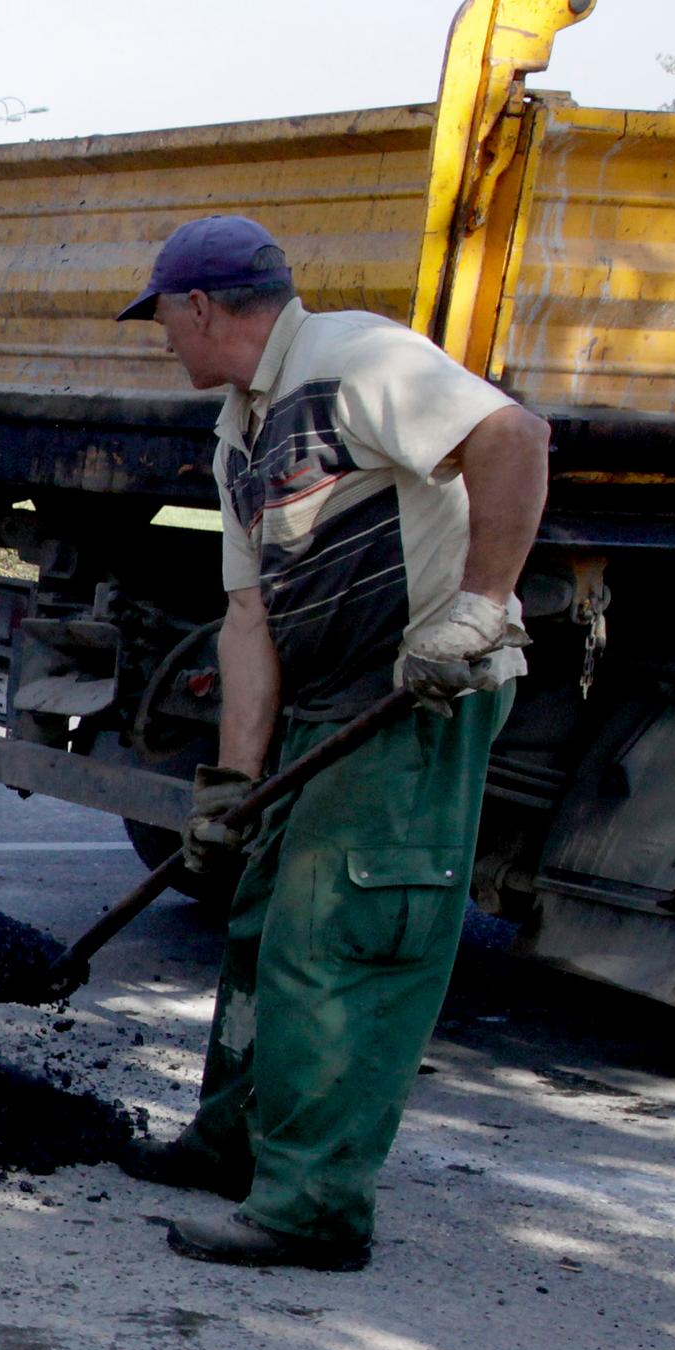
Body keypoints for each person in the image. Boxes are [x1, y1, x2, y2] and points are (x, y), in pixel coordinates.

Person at [113, 215, 548, 1270]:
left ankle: (313, 1208)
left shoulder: (359, 359)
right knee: (263, 923)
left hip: (413, 701)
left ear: (204, 307)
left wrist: (481, 605)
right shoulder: (242, 429)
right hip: (320, 704)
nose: (163, 337)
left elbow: (513, 437)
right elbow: (250, 616)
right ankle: (235, 1149)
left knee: (340, 938)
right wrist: (233, 783)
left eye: (164, 316)